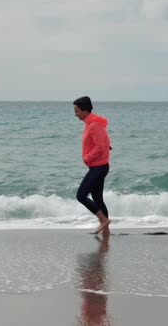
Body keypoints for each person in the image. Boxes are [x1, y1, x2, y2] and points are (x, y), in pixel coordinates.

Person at [73, 96, 111, 235]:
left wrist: (88, 158)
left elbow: (100, 146)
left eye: (77, 111)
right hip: (98, 166)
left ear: (85, 110)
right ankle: (106, 231)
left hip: (98, 167)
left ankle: (103, 221)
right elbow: (104, 143)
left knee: (81, 195)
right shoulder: (91, 123)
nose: (75, 114)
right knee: (98, 199)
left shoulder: (94, 125)